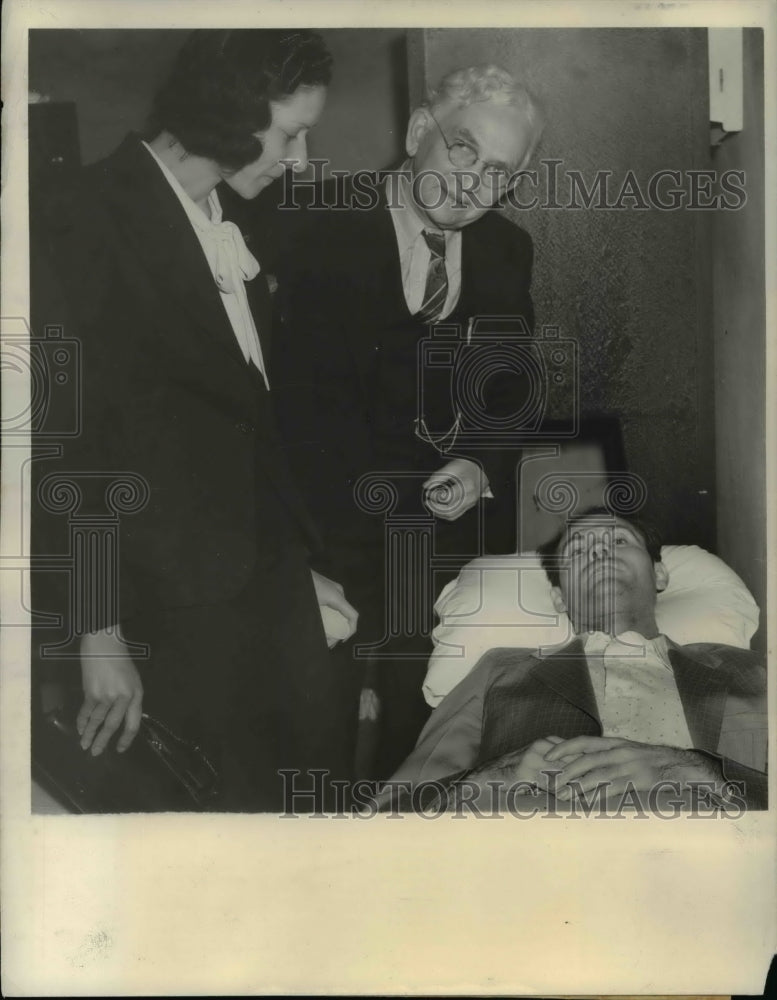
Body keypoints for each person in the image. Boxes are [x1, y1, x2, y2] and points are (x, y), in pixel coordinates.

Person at [30, 29, 360, 811]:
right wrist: (100, 629)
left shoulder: (223, 218)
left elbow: (244, 417)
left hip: (259, 585)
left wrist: (291, 557)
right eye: (289, 133)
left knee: (303, 807)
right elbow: (69, 443)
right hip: (161, 602)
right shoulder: (82, 215)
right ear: (228, 113)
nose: (300, 159)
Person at [270, 65, 544, 777]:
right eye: (461, 149)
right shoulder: (303, 221)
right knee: (310, 744)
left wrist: (477, 463)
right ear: (419, 131)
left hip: (443, 549)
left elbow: (509, 387)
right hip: (316, 540)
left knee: (428, 747)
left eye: (497, 172)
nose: (473, 183)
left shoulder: (506, 250)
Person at [376, 507, 767, 812]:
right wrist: (493, 777)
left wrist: (698, 770)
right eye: (578, 550)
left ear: (661, 575)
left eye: (618, 542)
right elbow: (397, 804)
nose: (598, 551)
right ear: (560, 598)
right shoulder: (498, 669)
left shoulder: (750, 671)